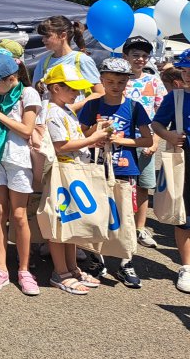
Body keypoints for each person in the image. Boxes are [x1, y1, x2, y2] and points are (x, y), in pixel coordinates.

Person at [78, 57, 153, 288]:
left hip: (124, 168)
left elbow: (147, 139)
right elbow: (82, 134)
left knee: (124, 217)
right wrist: (96, 135)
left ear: (127, 82)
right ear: (101, 80)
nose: (115, 86)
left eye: (120, 82)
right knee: (97, 214)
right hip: (96, 166)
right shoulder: (93, 105)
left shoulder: (134, 107)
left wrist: (121, 139)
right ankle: (96, 257)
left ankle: (125, 261)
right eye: (110, 81)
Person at [41, 64, 110, 294]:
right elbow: (61, 146)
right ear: (56, 88)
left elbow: (73, 140)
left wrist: (95, 137)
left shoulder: (65, 110)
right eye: (71, 89)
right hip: (63, 173)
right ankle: (60, 271)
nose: (76, 94)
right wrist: (93, 139)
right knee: (60, 223)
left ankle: (71, 268)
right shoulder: (52, 112)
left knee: (71, 223)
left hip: (72, 172)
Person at [0, 51, 41, 295]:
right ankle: (2, 268)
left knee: (19, 215)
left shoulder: (28, 93)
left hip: (19, 159)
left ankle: (24, 269)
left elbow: (27, 129)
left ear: (11, 78)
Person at [149, 48, 190, 294]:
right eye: (184, 70)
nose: (186, 75)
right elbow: (156, 123)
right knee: (184, 215)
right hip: (185, 161)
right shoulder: (176, 97)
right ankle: (186, 266)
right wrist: (168, 136)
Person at [122, 36, 167, 249]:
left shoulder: (154, 81)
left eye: (144, 56)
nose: (140, 59)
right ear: (126, 56)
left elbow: (161, 115)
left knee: (143, 185)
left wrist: (155, 141)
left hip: (146, 141)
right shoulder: (119, 80)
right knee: (121, 184)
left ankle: (140, 228)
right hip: (122, 141)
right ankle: (122, 226)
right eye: (135, 55)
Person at [31, 16, 103, 109]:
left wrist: (72, 107)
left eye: (47, 36)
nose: (43, 40)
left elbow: (99, 93)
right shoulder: (43, 62)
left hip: (75, 120)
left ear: (63, 36)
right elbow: (35, 93)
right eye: (43, 36)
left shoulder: (81, 60)